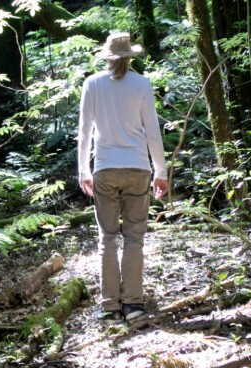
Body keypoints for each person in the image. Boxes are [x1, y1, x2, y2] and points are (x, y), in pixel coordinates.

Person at [77, 32, 168, 322]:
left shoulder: (92, 84)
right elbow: (152, 131)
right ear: (130, 57)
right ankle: (133, 305)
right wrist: (161, 172)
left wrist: (83, 170)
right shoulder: (141, 84)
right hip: (138, 169)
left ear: (107, 57)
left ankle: (109, 306)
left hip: (104, 168)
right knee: (134, 238)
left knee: (107, 239)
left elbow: (84, 132)